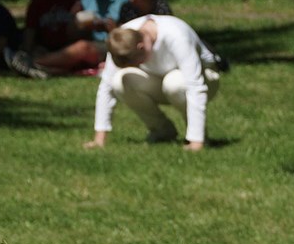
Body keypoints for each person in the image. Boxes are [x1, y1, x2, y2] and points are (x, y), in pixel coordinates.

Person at [84, 13, 221, 150]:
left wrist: (197, 141)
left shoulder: (176, 35)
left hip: (205, 79)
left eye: (136, 63)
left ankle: (196, 136)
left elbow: (195, 86)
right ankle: (162, 131)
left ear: (141, 47)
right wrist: (99, 139)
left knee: (174, 83)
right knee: (120, 81)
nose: (136, 67)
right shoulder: (121, 40)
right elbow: (106, 87)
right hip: (160, 79)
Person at [14, 0, 123, 77]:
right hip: (91, 44)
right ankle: (46, 68)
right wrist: (77, 22)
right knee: (77, 48)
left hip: (114, 44)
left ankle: (33, 64)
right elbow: (71, 33)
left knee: (82, 47)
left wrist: (114, 29)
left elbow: (133, 33)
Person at [11, 0, 82, 78]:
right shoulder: (37, 2)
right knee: (37, 54)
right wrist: (27, 51)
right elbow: (30, 29)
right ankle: (39, 67)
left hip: (68, 47)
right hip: (45, 48)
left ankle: (40, 68)